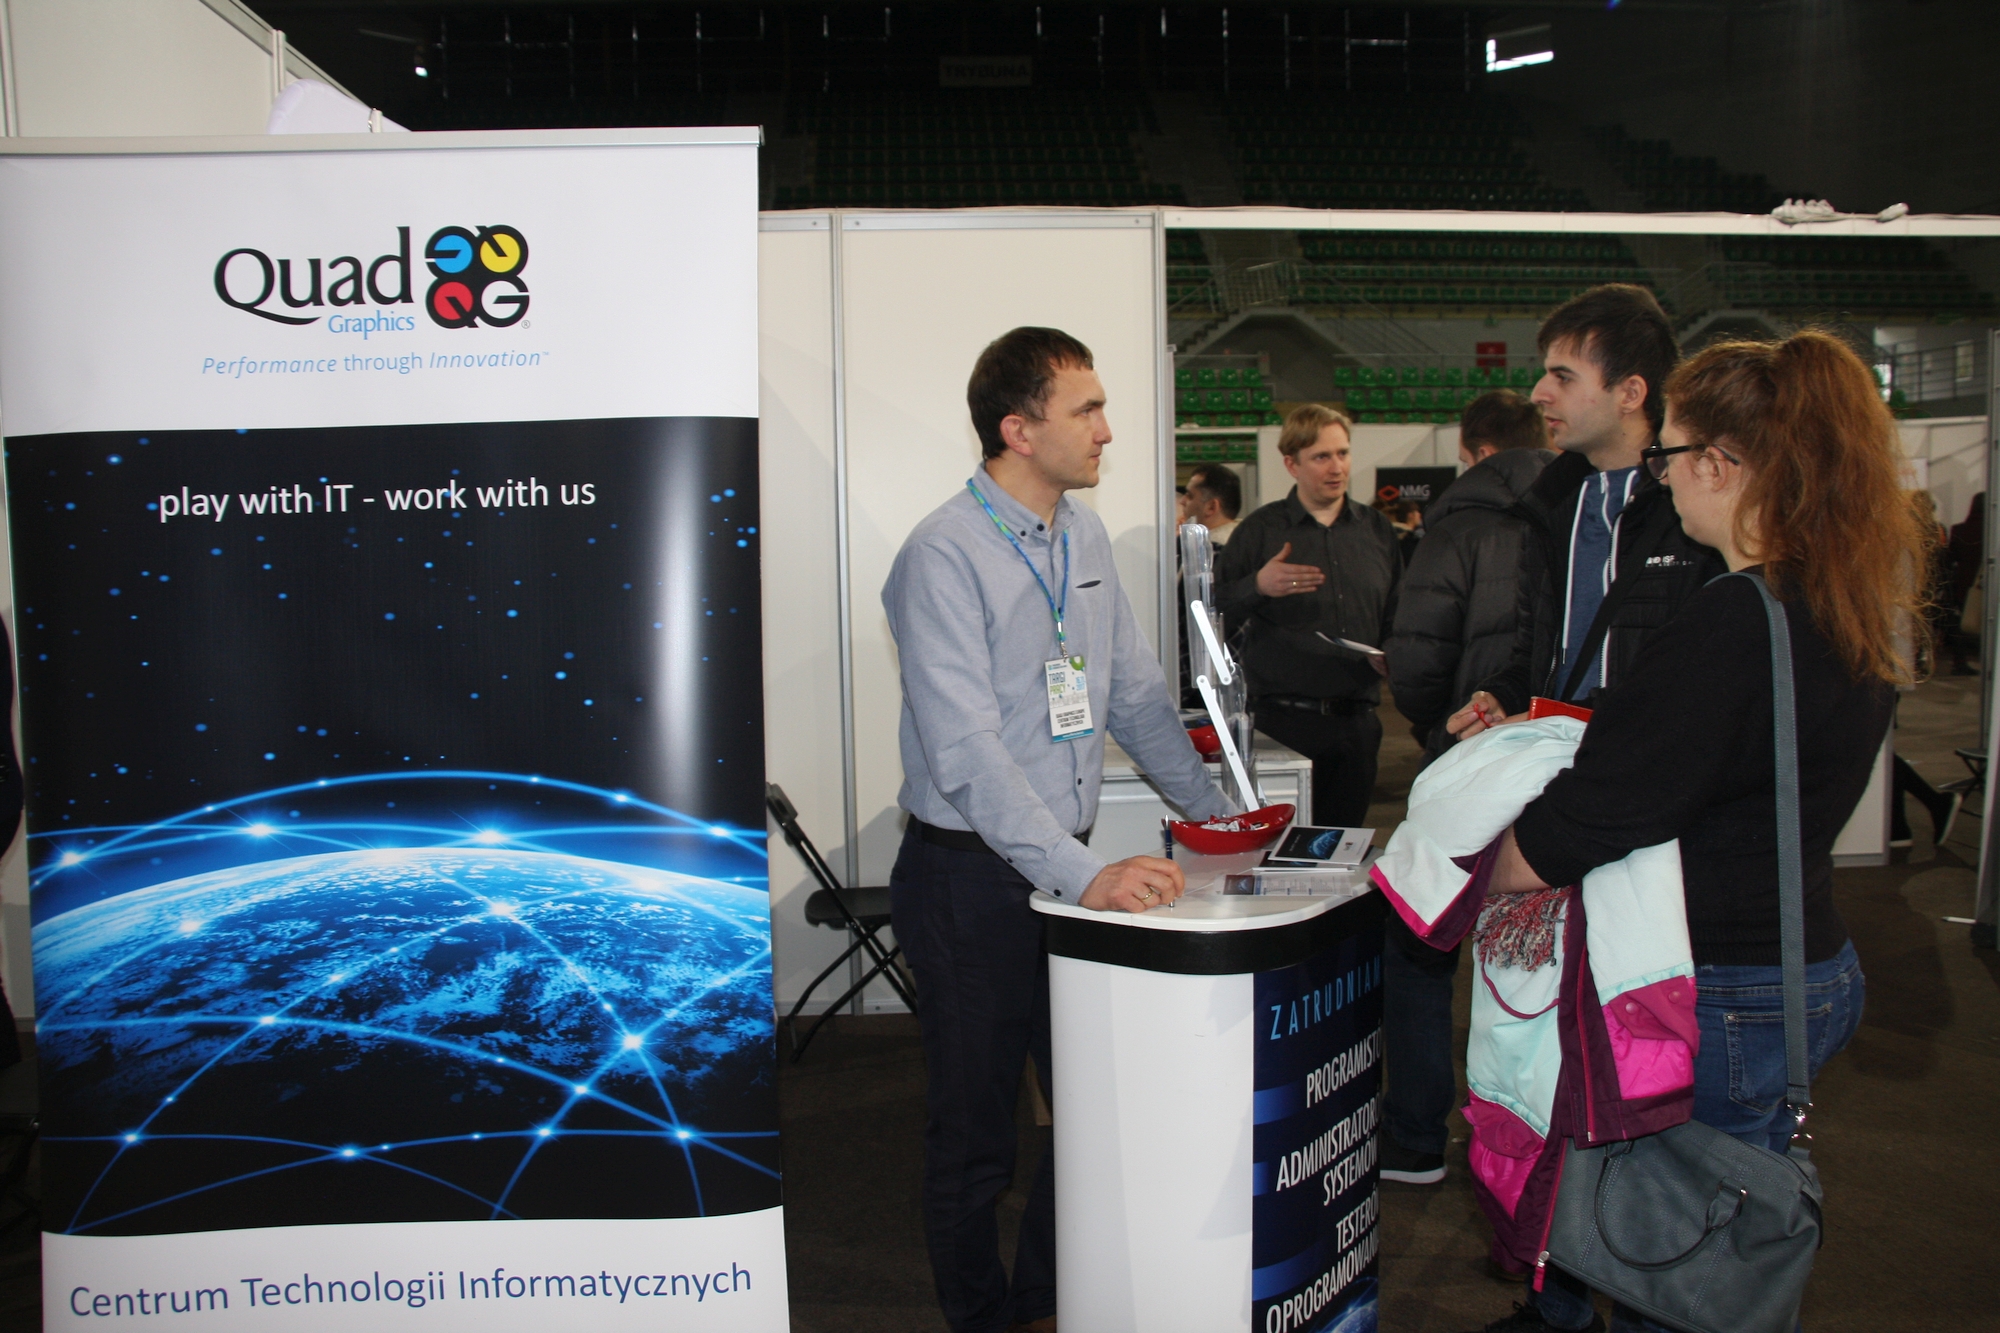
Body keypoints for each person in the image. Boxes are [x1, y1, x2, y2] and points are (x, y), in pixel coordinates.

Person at [1470, 331, 1918, 1333]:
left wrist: (1483, 870)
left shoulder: (1732, 619)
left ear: (1720, 463)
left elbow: (1610, 805)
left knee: (1671, 1262)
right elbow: (1720, 762)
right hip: (1802, 960)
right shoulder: (1840, 600)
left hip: (1717, 986)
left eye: (1667, 454)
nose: (1659, 477)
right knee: (1721, 1231)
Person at [883, 326, 1232, 1333]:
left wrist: (1217, 816)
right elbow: (966, 753)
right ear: (1018, 429)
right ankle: (978, 1316)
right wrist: (1083, 876)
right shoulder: (943, 553)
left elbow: (1134, 695)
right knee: (976, 1133)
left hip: (1058, 874)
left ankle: (1041, 1301)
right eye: (1087, 410)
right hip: (969, 882)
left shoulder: (1081, 535)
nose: (1107, 430)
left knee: (1086, 1114)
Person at [1374, 389, 1552, 1188]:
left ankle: (1417, 1135)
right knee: (1540, 953)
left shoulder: (1456, 524)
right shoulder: (1585, 508)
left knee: (1419, 940)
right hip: (1560, 754)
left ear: (1472, 450)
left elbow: (1416, 656)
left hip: (1473, 755)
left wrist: (1439, 732)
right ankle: (1533, 1150)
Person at [1446, 286, 1723, 748]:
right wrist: (1500, 696)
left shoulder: (1693, 514)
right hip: (1563, 766)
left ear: (1630, 393)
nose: (1539, 393)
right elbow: (1538, 659)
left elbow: (1697, 686)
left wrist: (1571, 722)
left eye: (1564, 377)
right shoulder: (1549, 507)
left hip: (1646, 768)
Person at [1214, 403, 1402, 829]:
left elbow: (1398, 609)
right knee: (1278, 850)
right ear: (1291, 464)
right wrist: (1257, 586)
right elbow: (1211, 615)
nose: (1337, 467)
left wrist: (1393, 650)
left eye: (1342, 453)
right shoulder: (1260, 531)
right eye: (1321, 457)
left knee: (1342, 848)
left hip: (1357, 725)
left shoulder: (1377, 530)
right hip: (1282, 726)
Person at [1180, 462, 1243, 547]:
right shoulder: (1247, 541)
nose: (1182, 501)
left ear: (1211, 507)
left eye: (1190, 496)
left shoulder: (1215, 548)